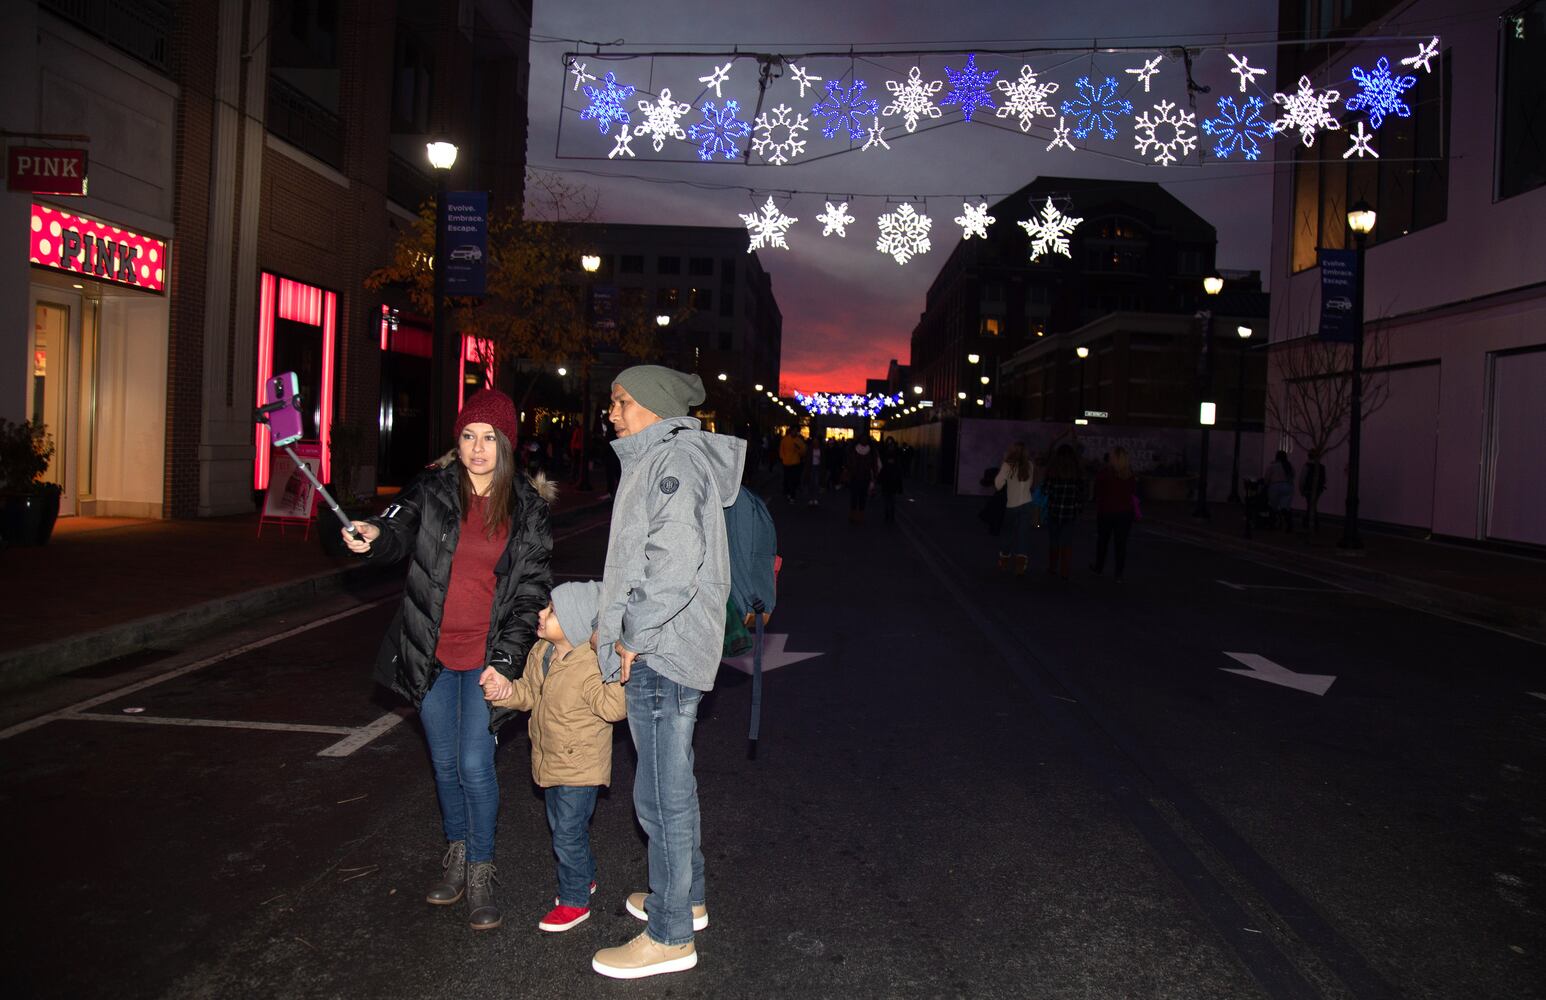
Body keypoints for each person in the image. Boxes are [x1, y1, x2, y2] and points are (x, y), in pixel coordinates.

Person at [342, 389, 553, 932]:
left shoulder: (526, 507)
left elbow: (530, 590)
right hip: (431, 650)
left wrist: (506, 662)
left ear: (506, 445)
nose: (477, 448)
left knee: (476, 764)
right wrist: (373, 535)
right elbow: (397, 530)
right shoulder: (432, 490)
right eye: (467, 436)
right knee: (443, 764)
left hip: (488, 656)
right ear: (456, 441)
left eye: (489, 438)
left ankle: (482, 867)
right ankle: (457, 853)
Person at [591, 365, 745, 980]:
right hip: (665, 643)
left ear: (653, 405)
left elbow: (673, 564)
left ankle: (671, 933)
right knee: (670, 784)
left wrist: (632, 635)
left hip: (661, 647)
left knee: (660, 794)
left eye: (621, 401)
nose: (613, 411)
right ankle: (687, 898)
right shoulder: (662, 457)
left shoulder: (671, 463)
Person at [488, 581, 625, 933]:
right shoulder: (542, 653)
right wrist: (505, 692)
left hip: (581, 768)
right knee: (565, 828)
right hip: (549, 761)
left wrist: (619, 670)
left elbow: (612, 708)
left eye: (552, 611)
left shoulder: (590, 664)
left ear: (577, 624)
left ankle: (575, 900)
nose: (541, 614)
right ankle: (585, 875)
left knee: (566, 833)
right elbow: (529, 694)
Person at [1090, 447, 1137, 581]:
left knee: (1103, 541)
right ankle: (1118, 573)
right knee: (1120, 544)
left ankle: (1099, 567)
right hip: (1124, 513)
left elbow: (1098, 491)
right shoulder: (1130, 475)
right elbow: (1132, 492)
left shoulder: (1105, 473)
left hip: (1106, 512)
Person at [1042, 443, 1084, 580]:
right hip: (1070, 513)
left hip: (1054, 510)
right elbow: (1081, 495)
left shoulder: (1053, 472)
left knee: (1053, 541)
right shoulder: (1077, 474)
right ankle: (1064, 571)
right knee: (1067, 542)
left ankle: (1052, 568)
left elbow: (1045, 491)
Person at [993, 441, 1036, 574]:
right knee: (1023, 536)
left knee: (1008, 534)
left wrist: (1004, 462)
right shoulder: (1030, 465)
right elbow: (1030, 485)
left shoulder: (1008, 465)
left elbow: (997, 485)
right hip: (1027, 504)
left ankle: (1004, 560)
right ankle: (1020, 566)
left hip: (1012, 505)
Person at [845, 436, 880, 523]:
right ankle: (857, 516)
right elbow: (875, 465)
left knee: (858, 497)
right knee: (859, 497)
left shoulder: (855, 450)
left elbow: (874, 464)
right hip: (860, 476)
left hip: (860, 476)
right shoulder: (870, 451)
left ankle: (856, 516)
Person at [1264, 449, 1295, 533]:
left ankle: (1272, 524)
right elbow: (1293, 476)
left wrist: (1266, 485)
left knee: (1273, 506)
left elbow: (1267, 478)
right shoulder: (1289, 466)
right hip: (1288, 486)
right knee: (1285, 507)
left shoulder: (1272, 466)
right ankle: (1289, 525)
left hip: (1275, 486)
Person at [1300, 448, 1327, 530]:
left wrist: (1301, 489)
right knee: (1312, 505)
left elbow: (1302, 479)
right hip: (1318, 489)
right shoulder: (1321, 467)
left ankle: (1311, 523)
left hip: (1308, 488)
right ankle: (1312, 523)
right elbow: (1325, 479)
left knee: (1311, 505)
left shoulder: (1307, 466)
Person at [878, 439, 904, 523]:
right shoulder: (892, 457)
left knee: (889, 499)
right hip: (889, 480)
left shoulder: (888, 457)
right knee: (889, 500)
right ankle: (890, 515)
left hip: (891, 481)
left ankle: (889, 515)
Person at [778, 427, 805, 503]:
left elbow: (803, 452)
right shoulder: (785, 440)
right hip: (786, 462)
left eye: (795, 431)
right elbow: (781, 449)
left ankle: (792, 494)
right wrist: (783, 457)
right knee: (787, 479)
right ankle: (788, 492)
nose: (794, 432)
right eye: (793, 431)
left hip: (795, 463)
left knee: (794, 480)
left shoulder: (799, 441)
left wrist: (798, 450)